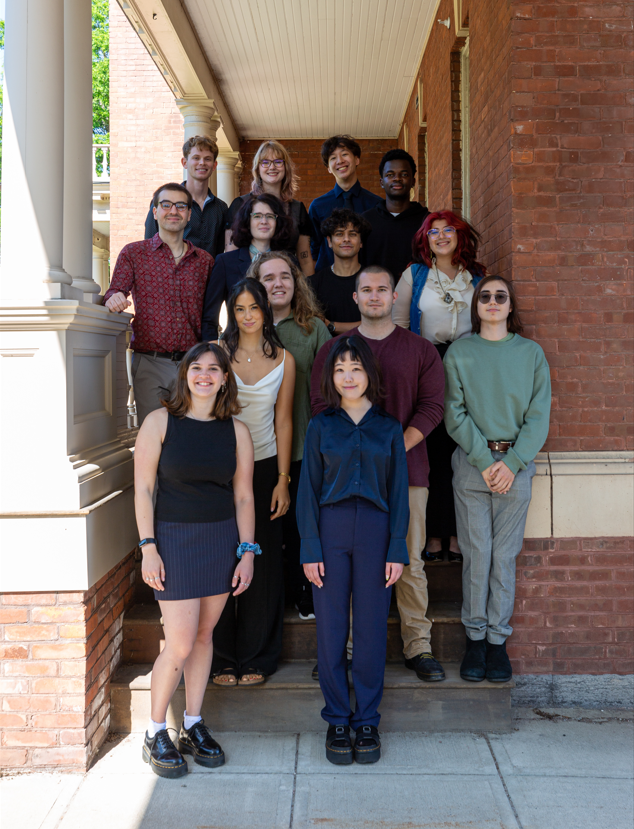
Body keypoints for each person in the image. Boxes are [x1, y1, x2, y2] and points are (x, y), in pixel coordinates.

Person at [311, 266, 446, 683]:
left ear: (394, 297)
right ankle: (345, 649)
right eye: (365, 290)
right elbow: (321, 406)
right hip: (345, 482)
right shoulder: (335, 350)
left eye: (381, 289)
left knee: (409, 559)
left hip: (409, 472)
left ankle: (417, 646)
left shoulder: (420, 349)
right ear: (354, 298)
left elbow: (433, 406)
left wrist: (393, 446)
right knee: (348, 568)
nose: (374, 296)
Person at [135, 342, 257, 778]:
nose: (204, 375)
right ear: (185, 373)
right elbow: (144, 490)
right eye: (197, 368)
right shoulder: (159, 422)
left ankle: (191, 723)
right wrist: (148, 545)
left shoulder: (237, 431)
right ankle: (153, 733)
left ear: (226, 378)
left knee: (205, 638)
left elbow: (243, 495)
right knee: (181, 643)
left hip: (221, 540)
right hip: (173, 541)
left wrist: (247, 553)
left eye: (214, 369)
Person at [298, 335, 409, 765]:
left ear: (370, 375)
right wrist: (310, 546)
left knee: (369, 626)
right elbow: (307, 491)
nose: (349, 376)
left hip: (377, 532)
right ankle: (336, 718)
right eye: (341, 368)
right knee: (330, 629)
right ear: (331, 377)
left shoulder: (389, 428)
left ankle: (366, 719)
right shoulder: (321, 426)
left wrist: (396, 547)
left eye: (357, 368)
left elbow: (399, 492)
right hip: (331, 528)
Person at [444, 276, 551, 683]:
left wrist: (513, 462)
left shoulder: (531, 354)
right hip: (474, 464)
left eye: (499, 297)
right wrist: (484, 459)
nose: (491, 301)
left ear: (510, 306)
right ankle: (474, 639)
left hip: (517, 466)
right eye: (484, 296)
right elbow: (454, 412)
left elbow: (538, 416)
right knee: (477, 556)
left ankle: (496, 642)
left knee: (504, 558)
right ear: (476, 306)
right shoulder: (459, 352)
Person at [211, 278, 296, 685]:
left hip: (264, 468)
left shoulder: (284, 359)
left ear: (266, 311)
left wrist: (283, 479)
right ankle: (223, 656)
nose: (247, 316)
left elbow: (284, 420)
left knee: (262, 562)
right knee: (223, 559)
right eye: (239, 308)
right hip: (222, 469)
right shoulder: (218, 355)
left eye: (254, 308)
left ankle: (259, 655)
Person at [393, 211, 486, 563]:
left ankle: (458, 534)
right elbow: (400, 325)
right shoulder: (414, 275)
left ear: (460, 236)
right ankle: (433, 535)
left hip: (467, 368)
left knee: (459, 451)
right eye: (435, 231)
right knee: (430, 450)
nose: (442, 236)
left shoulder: (476, 277)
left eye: (449, 230)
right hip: (426, 365)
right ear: (425, 239)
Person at [248, 251, 331, 620]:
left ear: (296, 283)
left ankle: (306, 593)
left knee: (303, 525)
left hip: (303, 446)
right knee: (266, 528)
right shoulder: (245, 330)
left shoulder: (314, 328)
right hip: (258, 448)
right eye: (268, 278)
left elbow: (332, 388)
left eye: (285, 276)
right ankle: (272, 595)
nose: (278, 283)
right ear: (256, 285)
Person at [104, 182, 213, 424]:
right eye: (166, 205)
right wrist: (114, 297)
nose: (173, 211)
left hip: (192, 364)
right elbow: (113, 292)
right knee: (152, 436)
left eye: (181, 206)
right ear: (155, 211)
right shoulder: (134, 254)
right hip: (149, 363)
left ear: (189, 214)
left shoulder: (204, 261)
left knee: (190, 437)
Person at [201, 194, 295, 341]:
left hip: (284, 344)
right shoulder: (226, 263)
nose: (264, 221)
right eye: (257, 216)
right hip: (237, 347)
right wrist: (213, 353)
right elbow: (209, 320)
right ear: (247, 221)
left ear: (278, 221)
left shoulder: (289, 261)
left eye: (270, 216)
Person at [225, 140, 315, 277]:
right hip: (248, 283)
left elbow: (305, 259)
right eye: (265, 162)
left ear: (286, 168)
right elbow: (230, 254)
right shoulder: (240, 205)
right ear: (258, 169)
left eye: (278, 162)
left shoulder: (297, 209)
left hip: (286, 284)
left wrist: (309, 293)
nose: (272, 167)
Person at [144, 135, 228, 258]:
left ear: (214, 165)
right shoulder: (164, 202)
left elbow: (219, 252)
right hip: (169, 274)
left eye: (207, 159)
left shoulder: (221, 208)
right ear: (184, 163)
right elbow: (150, 245)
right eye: (196, 158)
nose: (202, 163)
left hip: (210, 275)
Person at [309, 135, 381, 271]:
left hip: (368, 280)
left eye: (344, 154)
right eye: (333, 158)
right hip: (328, 282)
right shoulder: (317, 206)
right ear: (329, 168)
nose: (340, 161)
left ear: (357, 159)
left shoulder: (377, 204)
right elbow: (314, 250)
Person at [361, 149, 429, 281]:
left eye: (403, 174)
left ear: (413, 181)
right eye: (390, 175)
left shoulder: (426, 221)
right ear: (382, 182)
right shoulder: (366, 221)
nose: (397, 178)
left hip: (418, 297)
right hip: (375, 297)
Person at [310, 208, 371, 336]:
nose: (346, 239)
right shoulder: (313, 284)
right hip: (327, 352)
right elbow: (311, 325)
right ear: (329, 242)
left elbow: (378, 323)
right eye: (339, 234)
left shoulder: (373, 280)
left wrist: (331, 325)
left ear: (361, 242)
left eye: (353, 234)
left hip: (369, 351)